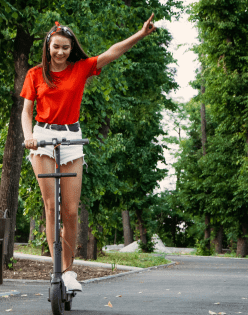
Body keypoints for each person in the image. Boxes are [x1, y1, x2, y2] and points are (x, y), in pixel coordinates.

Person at [21, 14, 157, 291]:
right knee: (51, 207)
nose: (60, 52)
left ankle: (69, 271)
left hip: (72, 138)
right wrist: (29, 137)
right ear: (48, 45)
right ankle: (58, 270)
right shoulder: (35, 74)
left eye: (66, 48)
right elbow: (25, 111)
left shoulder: (81, 68)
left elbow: (112, 52)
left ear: (72, 49)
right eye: (56, 46)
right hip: (43, 137)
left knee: (70, 211)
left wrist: (140, 34)